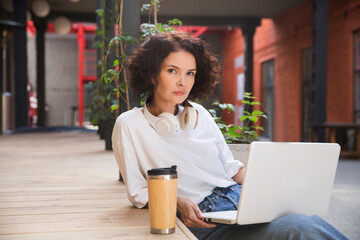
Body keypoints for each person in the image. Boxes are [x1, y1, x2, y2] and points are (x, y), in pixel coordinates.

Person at [111, 32, 348, 240]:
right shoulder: (130, 125)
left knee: (309, 221)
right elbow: (138, 193)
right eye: (172, 71)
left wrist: (280, 180)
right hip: (204, 219)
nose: (183, 82)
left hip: (239, 201)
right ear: (152, 74)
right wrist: (178, 201)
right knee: (300, 229)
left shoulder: (198, 114)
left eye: (190, 73)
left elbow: (231, 169)